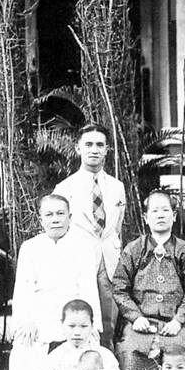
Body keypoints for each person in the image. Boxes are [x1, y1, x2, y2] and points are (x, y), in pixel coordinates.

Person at [9, 194, 104, 370]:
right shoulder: (30, 247)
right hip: (39, 316)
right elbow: (23, 289)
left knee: (87, 354)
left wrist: (92, 325)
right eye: (49, 215)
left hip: (74, 318)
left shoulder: (83, 246)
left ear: (70, 217)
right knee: (24, 351)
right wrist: (26, 321)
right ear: (40, 219)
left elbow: (88, 288)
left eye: (61, 214)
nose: (55, 219)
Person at [111, 190, 185, 370]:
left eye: (165, 210)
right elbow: (119, 288)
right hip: (143, 322)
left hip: (177, 323)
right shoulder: (134, 249)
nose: (160, 215)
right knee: (130, 354)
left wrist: (179, 319)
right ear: (145, 217)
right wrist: (135, 317)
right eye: (154, 211)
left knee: (180, 352)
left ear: (174, 215)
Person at [53, 123, 126, 346]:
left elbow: (117, 227)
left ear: (107, 150)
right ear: (78, 148)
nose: (94, 150)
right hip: (78, 262)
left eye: (99, 145)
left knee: (108, 326)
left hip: (109, 262)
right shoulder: (64, 188)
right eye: (88, 144)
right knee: (79, 325)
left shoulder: (117, 187)